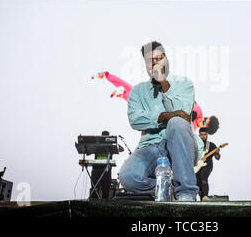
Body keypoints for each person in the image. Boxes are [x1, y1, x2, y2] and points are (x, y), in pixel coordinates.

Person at [118, 41, 204, 201]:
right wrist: (164, 116)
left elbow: (182, 116)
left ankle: (186, 194)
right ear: (145, 65)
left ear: (166, 59)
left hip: (181, 144)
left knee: (176, 124)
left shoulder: (184, 83)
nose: (156, 63)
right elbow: (135, 119)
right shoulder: (137, 91)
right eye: (150, 61)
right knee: (128, 177)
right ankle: (166, 190)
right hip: (150, 147)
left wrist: (164, 82)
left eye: (159, 58)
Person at [90, 130, 124, 199]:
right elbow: (87, 150)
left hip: (106, 168)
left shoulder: (111, 145)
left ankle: (104, 203)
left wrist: (116, 143)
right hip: (97, 167)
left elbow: (122, 149)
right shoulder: (97, 144)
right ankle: (93, 202)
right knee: (95, 188)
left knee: (106, 188)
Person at [196, 128, 221, 201]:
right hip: (197, 166)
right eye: (201, 135)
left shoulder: (211, 145)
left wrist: (217, 153)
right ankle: (202, 198)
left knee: (203, 177)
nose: (203, 136)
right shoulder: (196, 145)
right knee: (197, 183)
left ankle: (205, 197)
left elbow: (217, 158)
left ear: (207, 135)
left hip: (207, 165)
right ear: (199, 135)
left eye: (205, 135)